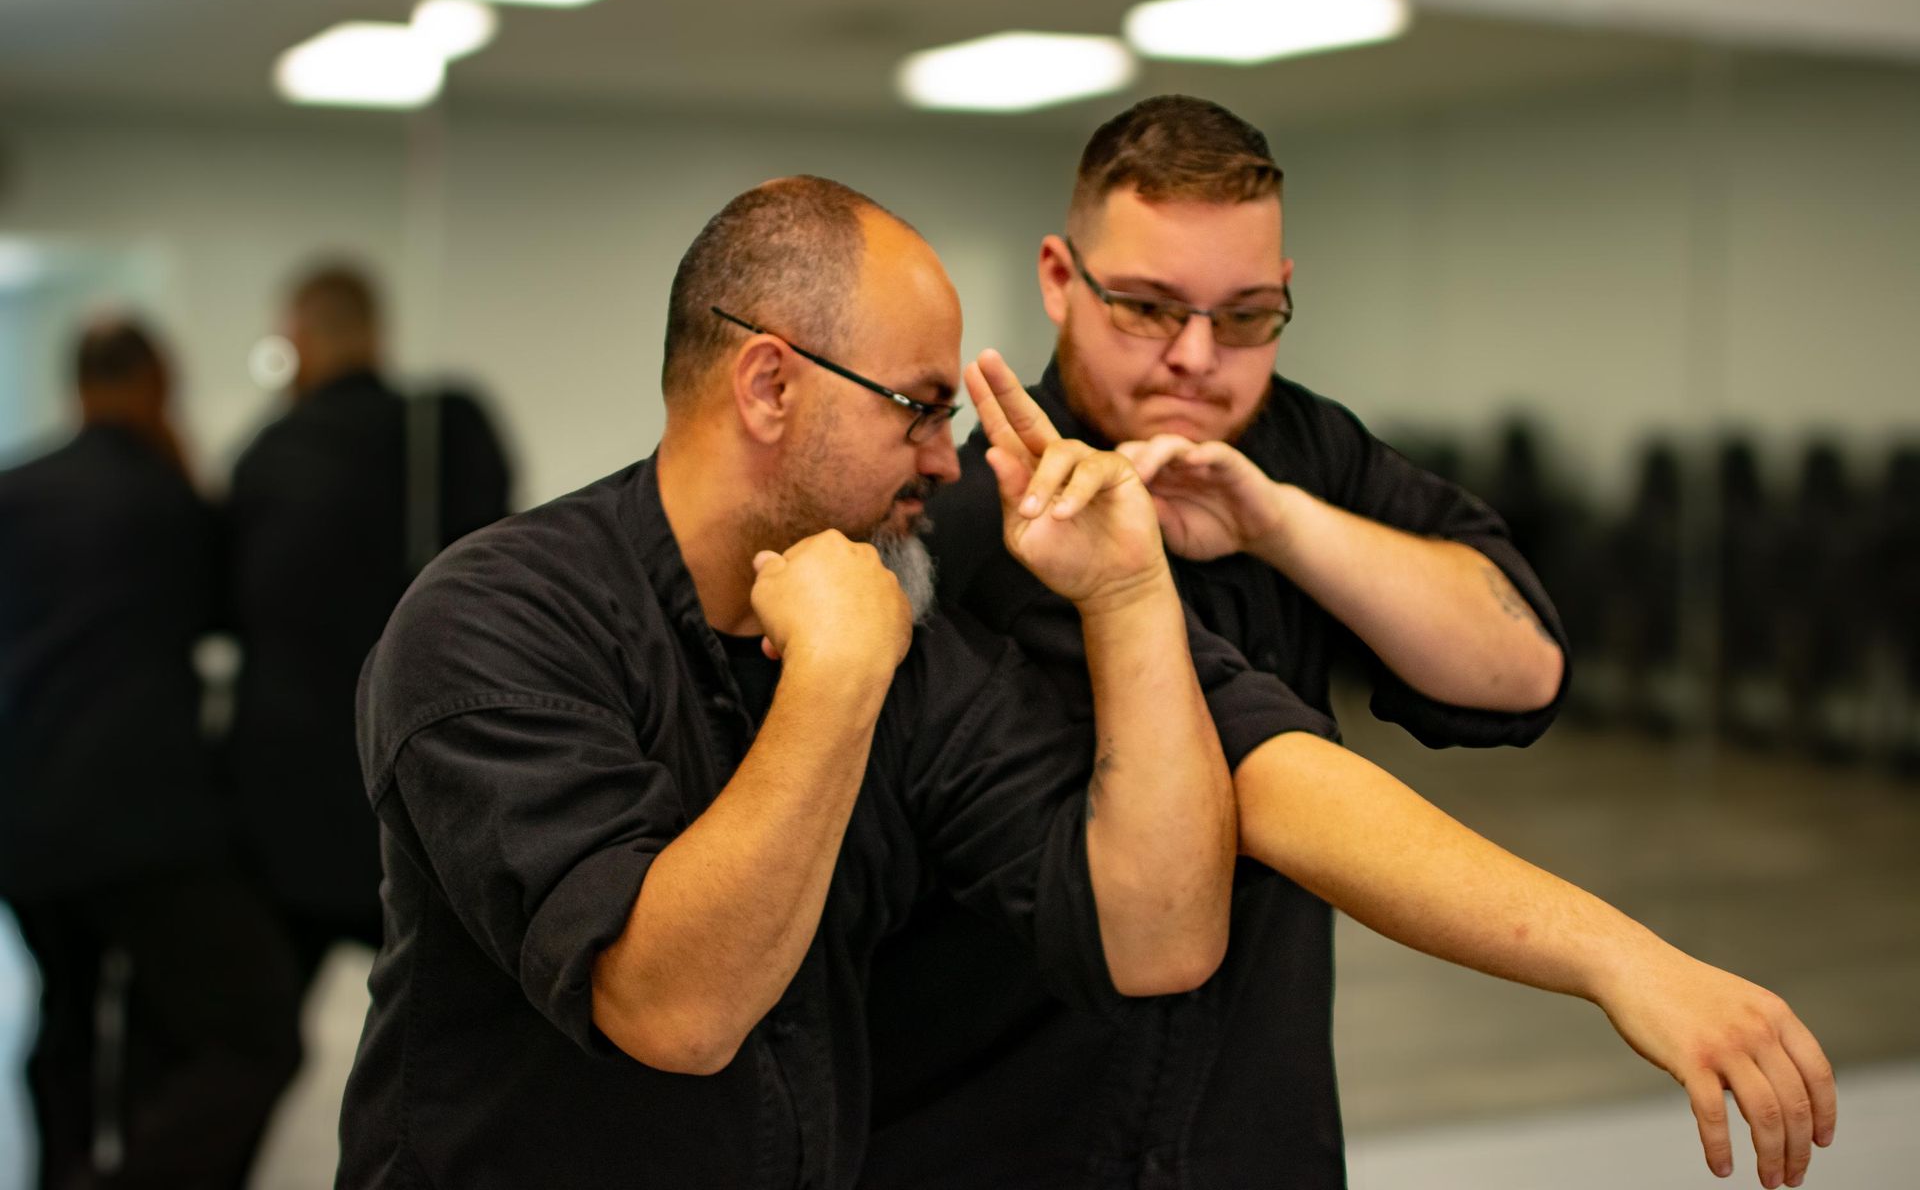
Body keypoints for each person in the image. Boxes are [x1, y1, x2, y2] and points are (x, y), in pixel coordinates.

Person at [865, 96, 1834, 1190]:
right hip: (1012, 1133)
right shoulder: (996, 524)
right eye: (1146, 307)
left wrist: (1281, 523)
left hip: (1252, 1131)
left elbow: (1520, 663)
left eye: (1245, 317)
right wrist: (1617, 953)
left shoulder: (1295, 443)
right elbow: (1272, 784)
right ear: (1058, 278)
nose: (1196, 357)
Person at [336, 176, 1326, 1188]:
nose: (950, 463)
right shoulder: (494, 620)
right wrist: (835, 679)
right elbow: (673, 1011)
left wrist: (1126, 591)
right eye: (920, 410)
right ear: (770, 385)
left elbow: (1158, 936)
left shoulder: (903, 626)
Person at [0, 316, 300, 1189]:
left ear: (76, 384)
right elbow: (227, 617)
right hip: (140, 813)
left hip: (22, 812)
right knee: (247, 1028)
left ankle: (62, 1171)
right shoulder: (170, 501)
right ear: (156, 384)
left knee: (65, 1014)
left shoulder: (13, 491)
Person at [225, 262, 511, 979]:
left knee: (257, 1037)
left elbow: (232, 608)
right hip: (423, 774)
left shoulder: (267, 456)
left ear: (296, 339)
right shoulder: (441, 430)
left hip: (289, 795)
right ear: (376, 333)